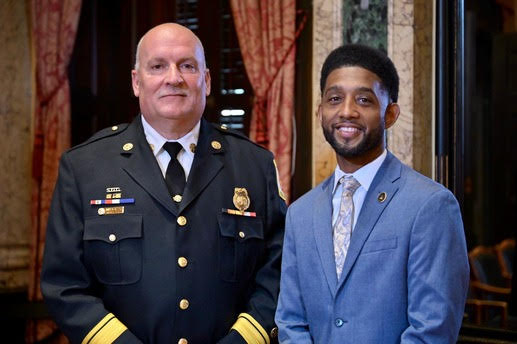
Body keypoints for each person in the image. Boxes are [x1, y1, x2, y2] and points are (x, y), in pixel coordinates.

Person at [41, 23, 286, 344]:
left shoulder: (255, 166)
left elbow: (279, 272)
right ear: (136, 82)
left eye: (187, 65)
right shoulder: (84, 167)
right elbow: (65, 286)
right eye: (158, 66)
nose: (174, 78)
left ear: (207, 80)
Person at [275, 44, 469, 343]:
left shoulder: (430, 205)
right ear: (320, 111)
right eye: (335, 98)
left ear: (390, 113)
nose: (347, 111)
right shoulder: (300, 213)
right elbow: (291, 322)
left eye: (364, 100)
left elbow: (432, 330)